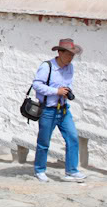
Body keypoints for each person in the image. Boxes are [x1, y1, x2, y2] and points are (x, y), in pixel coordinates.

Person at [31, 38, 87, 183]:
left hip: (63, 110)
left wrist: (67, 92)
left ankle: (71, 171)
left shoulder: (70, 68)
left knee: (72, 138)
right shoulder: (47, 66)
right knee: (44, 142)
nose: (70, 58)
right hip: (48, 110)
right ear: (60, 53)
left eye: (72, 55)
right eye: (68, 54)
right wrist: (56, 91)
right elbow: (36, 85)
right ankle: (39, 170)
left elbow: (68, 84)